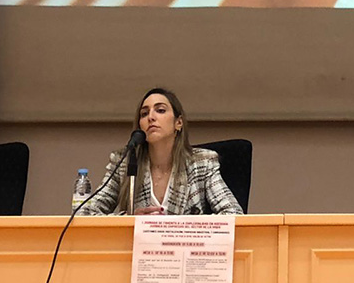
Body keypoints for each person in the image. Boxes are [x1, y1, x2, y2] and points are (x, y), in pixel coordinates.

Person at [77, 87, 243, 216]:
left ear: (178, 123)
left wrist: (191, 225)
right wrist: (128, 219)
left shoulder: (202, 163)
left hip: (186, 254)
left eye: (160, 110)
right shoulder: (124, 162)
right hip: (138, 255)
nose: (151, 117)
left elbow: (234, 214)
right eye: (144, 113)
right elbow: (85, 213)